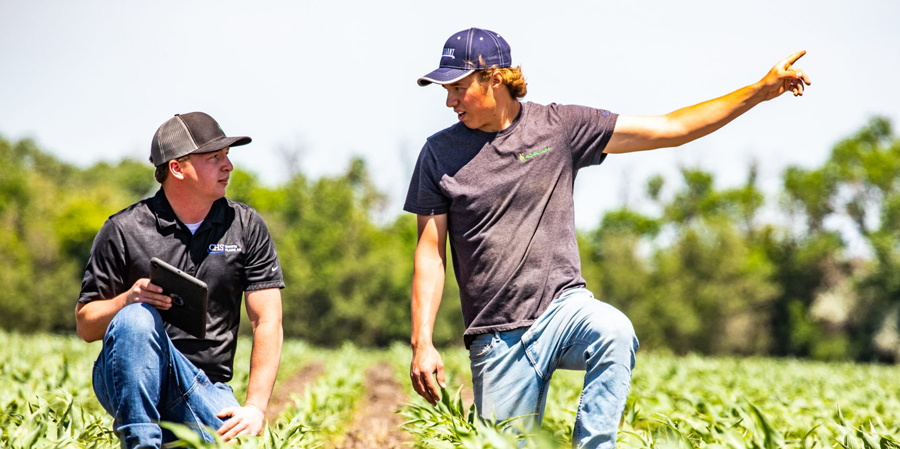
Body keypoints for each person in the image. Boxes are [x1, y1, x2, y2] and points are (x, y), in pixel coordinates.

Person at [405, 28, 810, 449]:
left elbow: (671, 127)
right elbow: (430, 254)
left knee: (614, 331)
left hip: (563, 309)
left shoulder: (559, 128)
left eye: (458, 87)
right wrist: (423, 343)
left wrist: (757, 92)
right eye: (445, 90)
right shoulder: (439, 154)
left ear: (495, 78)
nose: (450, 101)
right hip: (498, 333)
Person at [75, 112, 285, 448]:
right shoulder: (122, 229)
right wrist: (128, 299)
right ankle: (142, 441)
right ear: (177, 168)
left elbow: (268, 320)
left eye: (227, 155)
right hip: (133, 383)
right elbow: (86, 325)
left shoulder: (246, 225)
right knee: (136, 318)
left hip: (206, 387)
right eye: (214, 157)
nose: (228, 165)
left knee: (239, 443)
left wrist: (256, 407)